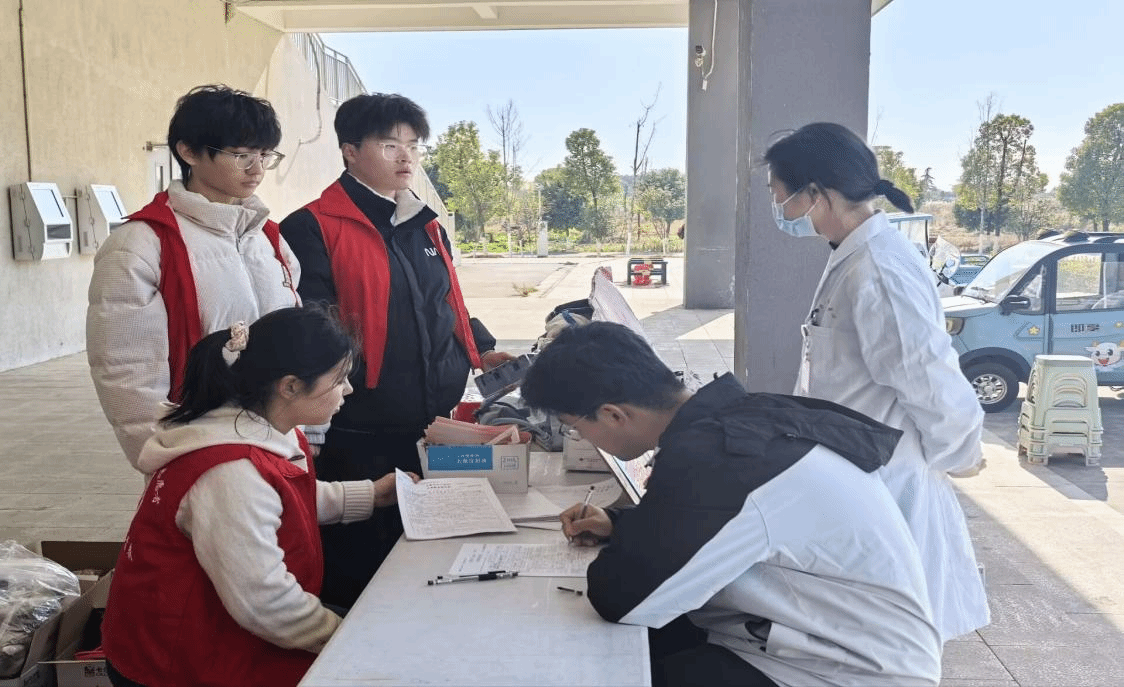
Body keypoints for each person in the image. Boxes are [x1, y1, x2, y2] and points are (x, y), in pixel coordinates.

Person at [520, 322, 941, 687]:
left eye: (576, 427)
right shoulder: (739, 422)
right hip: (828, 643)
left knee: (590, 665)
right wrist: (621, 525)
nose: (584, 440)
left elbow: (622, 597)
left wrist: (633, 543)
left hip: (841, 673)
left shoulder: (720, 459)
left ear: (614, 414)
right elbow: (716, 525)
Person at [100, 306, 416, 687]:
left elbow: (288, 499)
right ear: (290, 386)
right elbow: (265, 602)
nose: (348, 389)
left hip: (226, 622)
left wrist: (371, 494)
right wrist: (347, 639)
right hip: (176, 662)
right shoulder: (230, 473)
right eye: (338, 379)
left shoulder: (266, 427)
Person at [280, 93, 513, 608]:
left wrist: (481, 349)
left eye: (413, 145)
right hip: (359, 430)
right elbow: (315, 328)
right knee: (362, 562)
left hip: (433, 424)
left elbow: (443, 300)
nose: (406, 157)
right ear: (350, 151)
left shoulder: (425, 224)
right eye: (390, 145)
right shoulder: (311, 226)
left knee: (428, 557)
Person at [764, 121, 988, 642]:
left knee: (890, 639)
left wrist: (961, 451)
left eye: (780, 194)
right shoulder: (854, 256)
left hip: (888, 479)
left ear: (816, 193)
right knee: (870, 634)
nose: (779, 208)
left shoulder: (879, 270)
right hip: (858, 474)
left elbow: (930, 378)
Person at [87, 84, 300, 471]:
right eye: (241, 155)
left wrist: (306, 430)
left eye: (264, 155)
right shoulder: (141, 244)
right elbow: (126, 368)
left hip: (279, 440)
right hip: (199, 446)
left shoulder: (270, 239)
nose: (257, 169)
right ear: (188, 152)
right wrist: (163, 455)